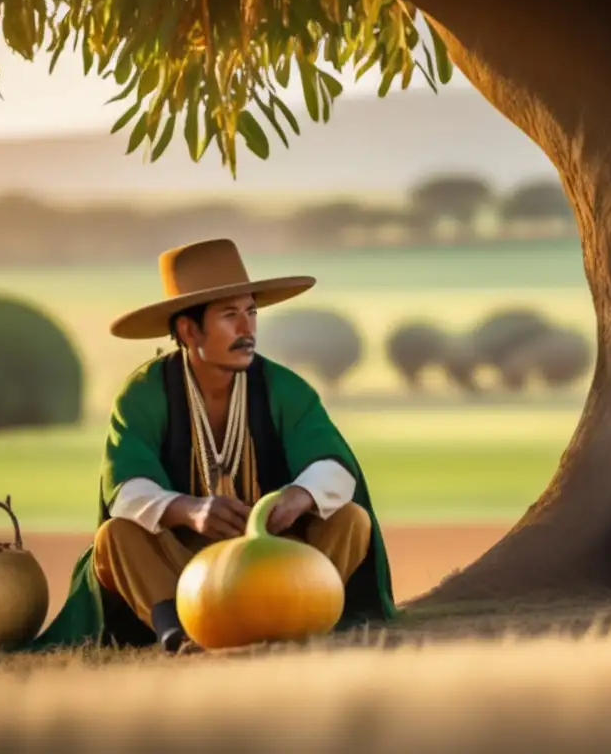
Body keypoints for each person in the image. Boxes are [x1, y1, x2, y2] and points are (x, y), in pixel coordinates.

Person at [28, 238, 397, 653]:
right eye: (229, 316)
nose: (247, 329)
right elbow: (126, 488)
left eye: (251, 313)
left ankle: (299, 612)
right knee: (115, 537)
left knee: (349, 520)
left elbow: (331, 464)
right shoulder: (145, 393)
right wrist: (191, 510)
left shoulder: (283, 388)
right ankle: (180, 631)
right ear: (188, 329)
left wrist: (299, 495)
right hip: (184, 568)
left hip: (275, 559)